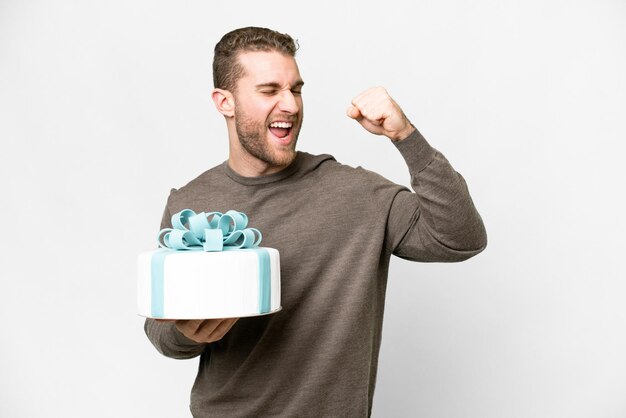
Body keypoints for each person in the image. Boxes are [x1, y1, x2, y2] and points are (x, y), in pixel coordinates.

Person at [144, 26, 487, 417]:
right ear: (225, 102)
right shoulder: (190, 202)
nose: (290, 105)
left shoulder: (357, 194)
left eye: (296, 89)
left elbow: (461, 238)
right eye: (270, 91)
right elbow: (161, 329)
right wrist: (185, 333)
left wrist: (406, 136)